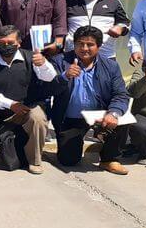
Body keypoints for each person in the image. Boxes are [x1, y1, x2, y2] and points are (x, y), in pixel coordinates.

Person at [46, 26, 130, 175]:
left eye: (90, 44)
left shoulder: (110, 66)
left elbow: (120, 95)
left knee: (121, 120)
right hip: (70, 118)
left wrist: (113, 113)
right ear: (74, 44)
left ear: (99, 46)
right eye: (80, 44)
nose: (85, 48)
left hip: (101, 115)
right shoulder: (59, 61)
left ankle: (109, 159)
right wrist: (64, 77)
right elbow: (48, 89)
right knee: (68, 160)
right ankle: (77, 143)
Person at [0, 26, 57, 174]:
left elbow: (49, 77)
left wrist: (43, 64)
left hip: (27, 109)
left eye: (10, 42)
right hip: (0, 113)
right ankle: (2, 145)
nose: (6, 46)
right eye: (2, 43)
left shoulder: (31, 57)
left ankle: (35, 161)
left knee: (38, 118)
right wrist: (10, 104)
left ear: (19, 42)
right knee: (12, 164)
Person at [66, 0, 130, 60]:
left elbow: (126, 23)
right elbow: (59, 26)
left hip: (106, 55)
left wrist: (120, 28)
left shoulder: (113, 1)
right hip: (74, 55)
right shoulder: (68, 2)